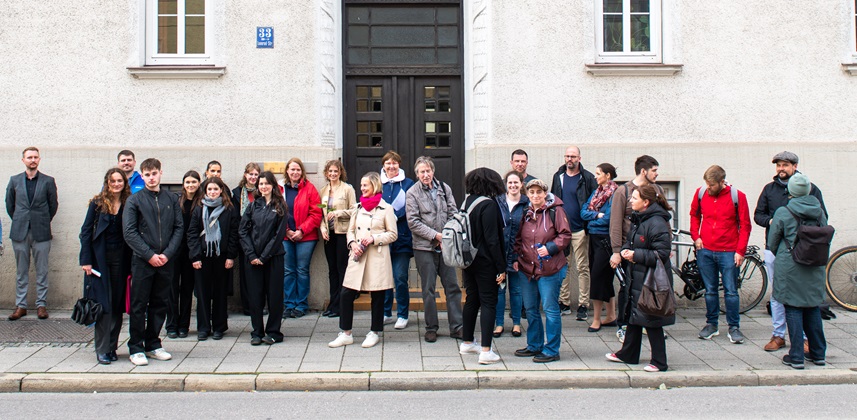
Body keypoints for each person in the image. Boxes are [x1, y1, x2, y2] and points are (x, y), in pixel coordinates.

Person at [754, 151, 826, 353]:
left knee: (802, 297)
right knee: (777, 294)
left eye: (785, 165)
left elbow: (822, 219)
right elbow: (759, 215)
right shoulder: (769, 189)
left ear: (794, 166)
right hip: (775, 250)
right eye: (778, 165)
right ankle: (778, 335)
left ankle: (804, 339)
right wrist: (773, 222)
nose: (780, 169)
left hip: (806, 252)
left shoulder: (811, 190)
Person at [606, 184, 675, 372]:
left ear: (646, 202)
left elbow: (662, 254)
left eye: (634, 198)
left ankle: (660, 362)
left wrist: (635, 255)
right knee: (634, 315)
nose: (630, 201)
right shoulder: (640, 219)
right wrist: (626, 250)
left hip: (651, 280)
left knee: (651, 318)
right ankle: (628, 354)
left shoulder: (657, 223)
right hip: (638, 276)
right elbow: (631, 240)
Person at [123, 158, 183, 366]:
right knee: (139, 305)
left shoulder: (171, 198)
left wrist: (167, 254)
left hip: (166, 260)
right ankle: (136, 347)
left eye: (154, 173)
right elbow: (129, 232)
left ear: (160, 173)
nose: (151, 178)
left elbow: (178, 228)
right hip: (143, 261)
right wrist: (149, 255)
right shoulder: (135, 200)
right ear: (142, 175)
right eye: (147, 174)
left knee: (160, 303)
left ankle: (153, 344)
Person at [328, 172, 397, 349]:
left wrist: (375, 238)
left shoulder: (386, 208)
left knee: (377, 295)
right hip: (357, 256)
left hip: (377, 257)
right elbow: (350, 231)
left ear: (374, 186)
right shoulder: (357, 207)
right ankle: (346, 333)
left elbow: (393, 234)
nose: (362, 188)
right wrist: (352, 244)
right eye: (361, 185)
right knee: (346, 294)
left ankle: (374, 332)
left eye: (365, 185)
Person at [768, 174, 828, 369]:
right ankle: (818, 353)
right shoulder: (819, 211)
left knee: (792, 307)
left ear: (791, 191)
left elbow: (772, 242)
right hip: (814, 265)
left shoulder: (784, 212)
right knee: (812, 306)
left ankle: (796, 356)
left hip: (790, 266)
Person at [690, 165, 752, 344]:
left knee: (731, 291)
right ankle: (712, 324)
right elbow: (694, 215)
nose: (708, 188)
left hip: (729, 251)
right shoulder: (701, 193)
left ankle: (734, 327)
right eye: (707, 184)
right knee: (710, 291)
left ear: (722, 182)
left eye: (711, 185)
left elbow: (745, 225)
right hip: (706, 250)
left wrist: (740, 251)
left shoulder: (737, 197)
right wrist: (696, 237)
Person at [513, 179, 572, 363]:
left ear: (545, 193)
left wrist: (551, 247)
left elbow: (565, 235)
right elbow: (517, 238)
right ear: (527, 194)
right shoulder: (525, 212)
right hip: (527, 268)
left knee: (550, 309)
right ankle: (534, 345)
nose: (535, 195)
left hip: (550, 269)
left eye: (539, 192)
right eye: (532, 192)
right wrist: (516, 257)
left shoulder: (556, 210)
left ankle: (552, 349)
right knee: (531, 309)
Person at [79, 168, 132, 364]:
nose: (117, 184)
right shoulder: (97, 204)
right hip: (100, 260)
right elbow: (85, 232)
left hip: (122, 259)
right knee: (104, 306)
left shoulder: (129, 202)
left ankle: (112, 347)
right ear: (107, 183)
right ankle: (101, 349)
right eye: (113, 181)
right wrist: (86, 260)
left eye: (120, 180)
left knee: (117, 306)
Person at [406, 156, 463, 338]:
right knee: (428, 289)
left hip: (445, 245)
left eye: (428, 171)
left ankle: (457, 326)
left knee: (452, 286)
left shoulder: (445, 189)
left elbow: (454, 213)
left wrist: (445, 236)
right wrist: (435, 236)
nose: (425, 175)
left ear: (433, 171)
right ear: (417, 174)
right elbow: (413, 222)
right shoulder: (412, 193)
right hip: (424, 248)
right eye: (422, 172)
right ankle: (431, 328)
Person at [609, 155, 662, 343]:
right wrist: (616, 251)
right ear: (643, 171)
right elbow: (615, 222)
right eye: (654, 170)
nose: (657, 174)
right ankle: (624, 325)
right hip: (627, 250)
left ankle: (647, 323)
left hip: (648, 251)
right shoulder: (623, 191)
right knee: (627, 288)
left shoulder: (657, 190)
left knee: (648, 286)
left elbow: (662, 218)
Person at [457, 168, 507, 364]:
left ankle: (467, 342)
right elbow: (493, 240)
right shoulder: (488, 205)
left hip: (469, 261)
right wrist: (501, 267)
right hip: (486, 262)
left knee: (472, 300)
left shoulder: (467, 202)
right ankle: (486, 350)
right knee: (489, 303)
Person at [6, 147, 58, 321]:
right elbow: (10, 205)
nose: (32, 160)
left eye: (35, 157)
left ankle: (41, 305)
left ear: (39, 159)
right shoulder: (14, 181)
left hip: (41, 231)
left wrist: (42, 220)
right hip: (19, 231)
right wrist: (21, 220)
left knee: (42, 270)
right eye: (29, 157)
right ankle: (21, 306)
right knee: (21, 270)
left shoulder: (48, 181)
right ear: (23, 160)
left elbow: (53, 205)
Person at [187, 177, 240, 341]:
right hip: (202, 257)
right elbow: (192, 234)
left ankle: (219, 326)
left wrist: (231, 255)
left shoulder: (229, 209)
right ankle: (203, 327)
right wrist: (195, 256)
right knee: (202, 293)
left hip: (221, 257)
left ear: (221, 191)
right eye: (209, 189)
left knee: (220, 292)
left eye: (215, 189)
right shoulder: (199, 209)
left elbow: (233, 233)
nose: (212, 192)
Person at [239, 171, 288, 345]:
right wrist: (252, 255)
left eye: (267, 183)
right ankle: (257, 332)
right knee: (255, 296)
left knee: (274, 296)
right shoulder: (253, 206)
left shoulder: (280, 205)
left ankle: (273, 331)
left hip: (273, 258)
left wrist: (264, 256)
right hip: (253, 260)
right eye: (261, 184)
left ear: (273, 185)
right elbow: (243, 231)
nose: (263, 186)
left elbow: (278, 234)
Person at [550, 145, 597, 321]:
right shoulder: (558, 176)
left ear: (579, 158)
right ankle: (564, 302)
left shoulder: (587, 177)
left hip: (580, 230)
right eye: (567, 156)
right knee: (564, 266)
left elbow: (594, 201)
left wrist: (589, 223)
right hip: (563, 231)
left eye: (573, 156)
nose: (570, 159)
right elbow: (554, 201)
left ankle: (584, 304)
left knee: (583, 267)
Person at [379, 151, 416, 330]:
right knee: (384, 277)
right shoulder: (377, 183)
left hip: (402, 238)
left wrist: (393, 216)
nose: (391, 167)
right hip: (383, 239)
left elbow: (411, 207)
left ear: (399, 165)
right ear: (384, 166)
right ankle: (386, 312)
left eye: (394, 163)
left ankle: (402, 313)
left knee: (400, 276)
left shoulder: (408, 184)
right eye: (388, 164)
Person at [580, 163, 619, 332]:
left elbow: (610, 218)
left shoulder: (615, 194)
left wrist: (593, 218)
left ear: (608, 175)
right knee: (603, 278)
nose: (595, 176)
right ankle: (611, 316)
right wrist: (596, 214)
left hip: (606, 239)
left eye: (598, 173)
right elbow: (583, 212)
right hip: (594, 238)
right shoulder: (597, 192)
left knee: (598, 277)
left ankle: (596, 319)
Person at [282, 157, 322, 318]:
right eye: (292, 169)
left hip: (306, 237)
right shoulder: (280, 189)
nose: (295, 172)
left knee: (302, 270)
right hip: (285, 237)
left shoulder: (310, 188)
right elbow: (277, 212)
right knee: (288, 271)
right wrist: (286, 231)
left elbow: (316, 212)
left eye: (298, 169)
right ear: (287, 171)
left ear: (302, 172)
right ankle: (289, 304)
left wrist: (301, 230)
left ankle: (301, 304)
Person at [319, 160, 357, 318]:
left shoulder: (347, 189)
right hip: (329, 235)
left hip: (343, 233)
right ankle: (332, 304)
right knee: (332, 270)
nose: (333, 174)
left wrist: (338, 213)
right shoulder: (323, 191)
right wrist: (322, 228)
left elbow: (354, 210)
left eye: (336, 171)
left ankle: (342, 305)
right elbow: (321, 212)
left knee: (342, 269)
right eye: (330, 171)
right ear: (326, 173)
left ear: (340, 172)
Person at [165, 171, 200, 339]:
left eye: (194, 181)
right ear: (183, 184)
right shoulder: (175, 200)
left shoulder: (201, 202)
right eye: (187, 182)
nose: (190, 185)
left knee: (187, 289)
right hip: (174, 250)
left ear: (199, 183)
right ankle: (171, 324)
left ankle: (184, 325)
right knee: (172, 288)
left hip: (192, 251)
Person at [494, 170, 529, 338]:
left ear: (521, 184)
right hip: (499, 253)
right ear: (505, 185)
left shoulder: (526, 203)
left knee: (516, 290)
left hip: (517, 254)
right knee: (499, 289)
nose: (513, 185)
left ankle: (516, 323)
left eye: (516, 182)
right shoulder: (497, 201)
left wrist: (518, 256)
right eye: (510, 183)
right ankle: (499, 324)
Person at [231, 163, 261, 315]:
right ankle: (248, 306)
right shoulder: (237, 193)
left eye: (256, 175)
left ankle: (259, 305)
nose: (253, 177)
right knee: (245, 273)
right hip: (243, 238)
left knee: (258, 274)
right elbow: (235, 217)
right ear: (245, 175)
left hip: (259, 237)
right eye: (251, 174)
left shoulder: (262, 191)